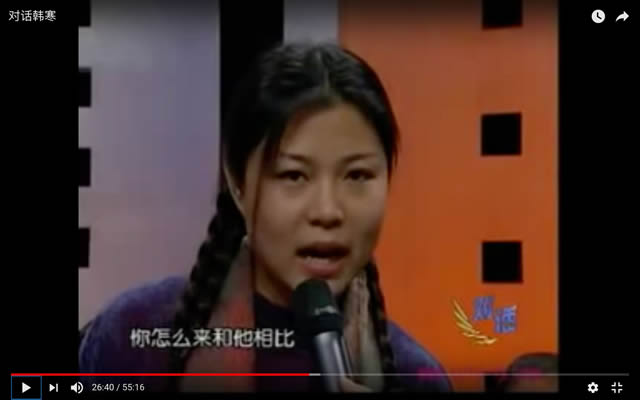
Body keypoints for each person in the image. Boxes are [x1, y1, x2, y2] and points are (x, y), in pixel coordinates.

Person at [78, 42, 451, 393]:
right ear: (238, 183)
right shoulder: (133, 338)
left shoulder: (416, 375)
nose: (327, 211)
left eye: (357, 176)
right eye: (294, 176)